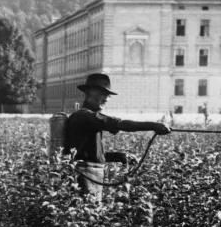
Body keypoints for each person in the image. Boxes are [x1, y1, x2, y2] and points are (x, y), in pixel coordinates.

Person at [64, 73, 171, 202]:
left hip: (92, 177)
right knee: (87, 215)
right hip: (84, 178)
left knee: (92, 215)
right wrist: (153, 125)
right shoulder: (86, 116)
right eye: (101, 93)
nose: (106, 99)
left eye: (107, 95)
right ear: (88, 92)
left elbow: (88, 155)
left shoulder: (88, 118)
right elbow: (121, 124)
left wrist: (119, 156)